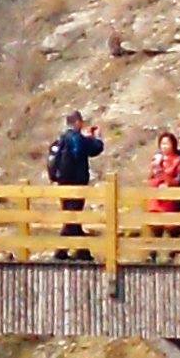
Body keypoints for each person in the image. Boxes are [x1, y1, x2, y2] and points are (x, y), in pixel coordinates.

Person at [45, 109, 104, 256]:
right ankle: (62, 251)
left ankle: (82, 251)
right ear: (78, 122)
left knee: (71, 216)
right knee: (73, 217)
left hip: (63, 182)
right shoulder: (76, 138)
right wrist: (98, 139)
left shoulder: (62, 138)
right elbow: (94, 149)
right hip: (76, 182)